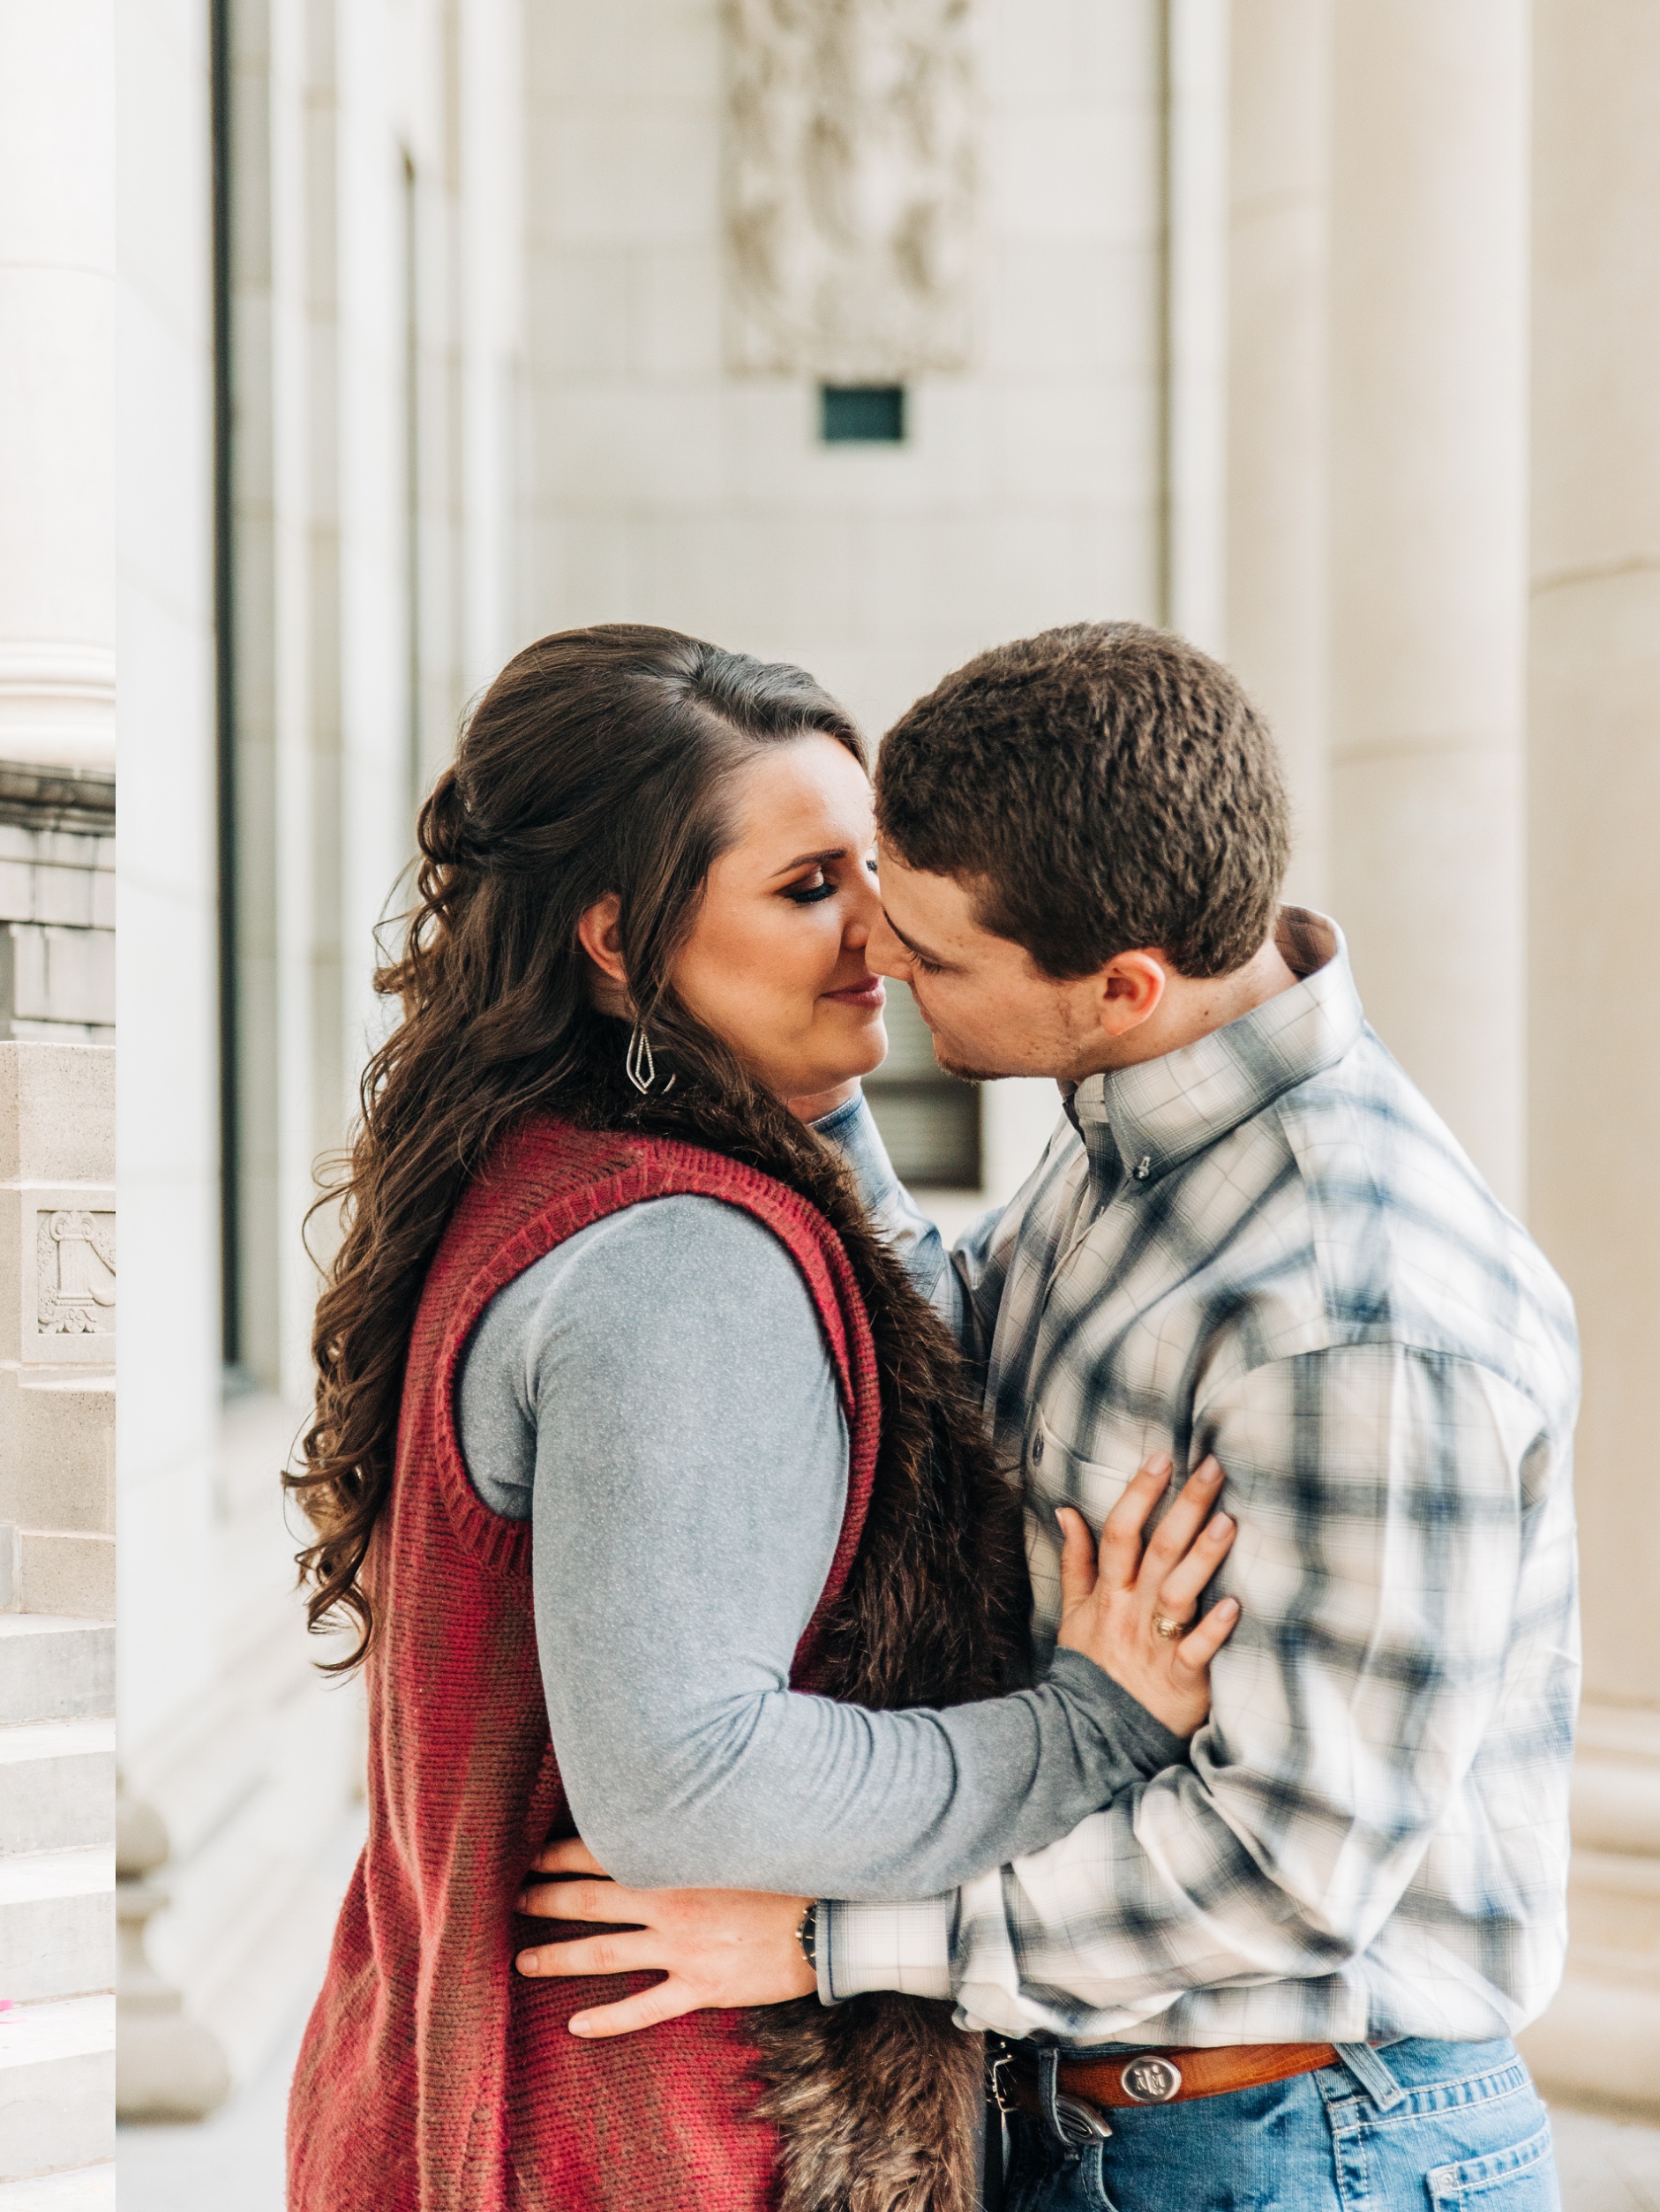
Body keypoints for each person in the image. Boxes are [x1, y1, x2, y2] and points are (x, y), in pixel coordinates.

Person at [515, 625, 1582, 2212]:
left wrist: (820, 1938)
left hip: (1306, 2153)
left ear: (1121, 985)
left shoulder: (1358, 1322)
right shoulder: (1131, 1133)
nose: (875, 955)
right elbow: (958, 1347)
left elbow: (1286, 1876)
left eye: (930, 958)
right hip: (1120, 2129)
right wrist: (795, 1077)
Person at [281, 626, 1239, 2212]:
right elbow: (683, 1784)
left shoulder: (568, 1165)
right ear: (619, 938)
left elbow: (907, 1309)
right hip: (659, 2133)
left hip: (505, 2089)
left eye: (871, 870)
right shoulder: (687, 1262)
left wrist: (813, 1067)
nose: (884, 929)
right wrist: (1093, 1726)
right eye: (807, 892)